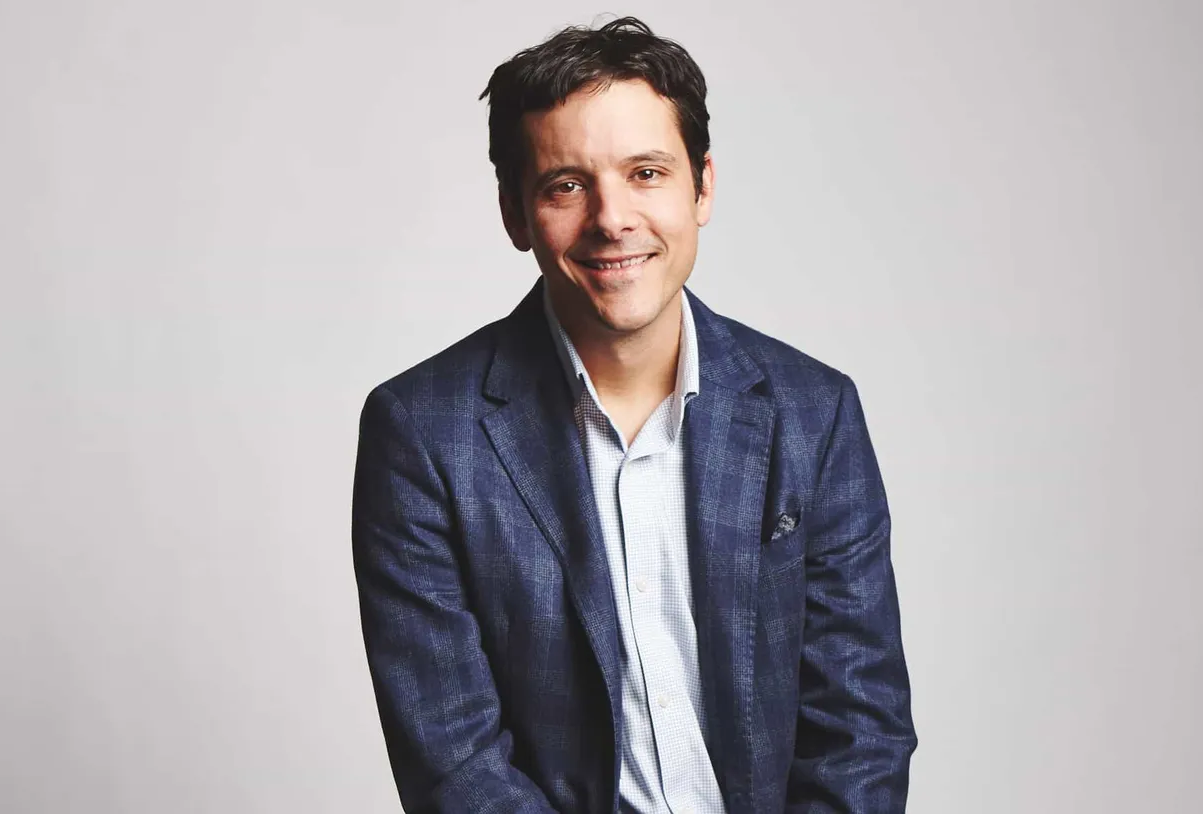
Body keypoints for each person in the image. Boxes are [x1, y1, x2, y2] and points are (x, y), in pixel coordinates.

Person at [352, 17, 916, 814]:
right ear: (516, 214)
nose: (612, 218)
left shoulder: (812, 415)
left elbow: (861, 728)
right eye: (566, 184)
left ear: (703, 186)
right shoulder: (421, 435)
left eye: (646, 172)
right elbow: (453, 764)